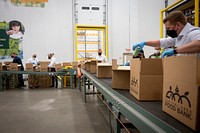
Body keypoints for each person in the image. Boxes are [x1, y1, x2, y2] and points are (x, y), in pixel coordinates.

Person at [132, 11, 200, 58]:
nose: (168, 31)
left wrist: (175, 51)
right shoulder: (178, 37)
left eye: (168, 28)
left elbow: (198, 44)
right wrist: (145, 43)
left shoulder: (193, 32)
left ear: (177, 25)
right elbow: (162, 42)